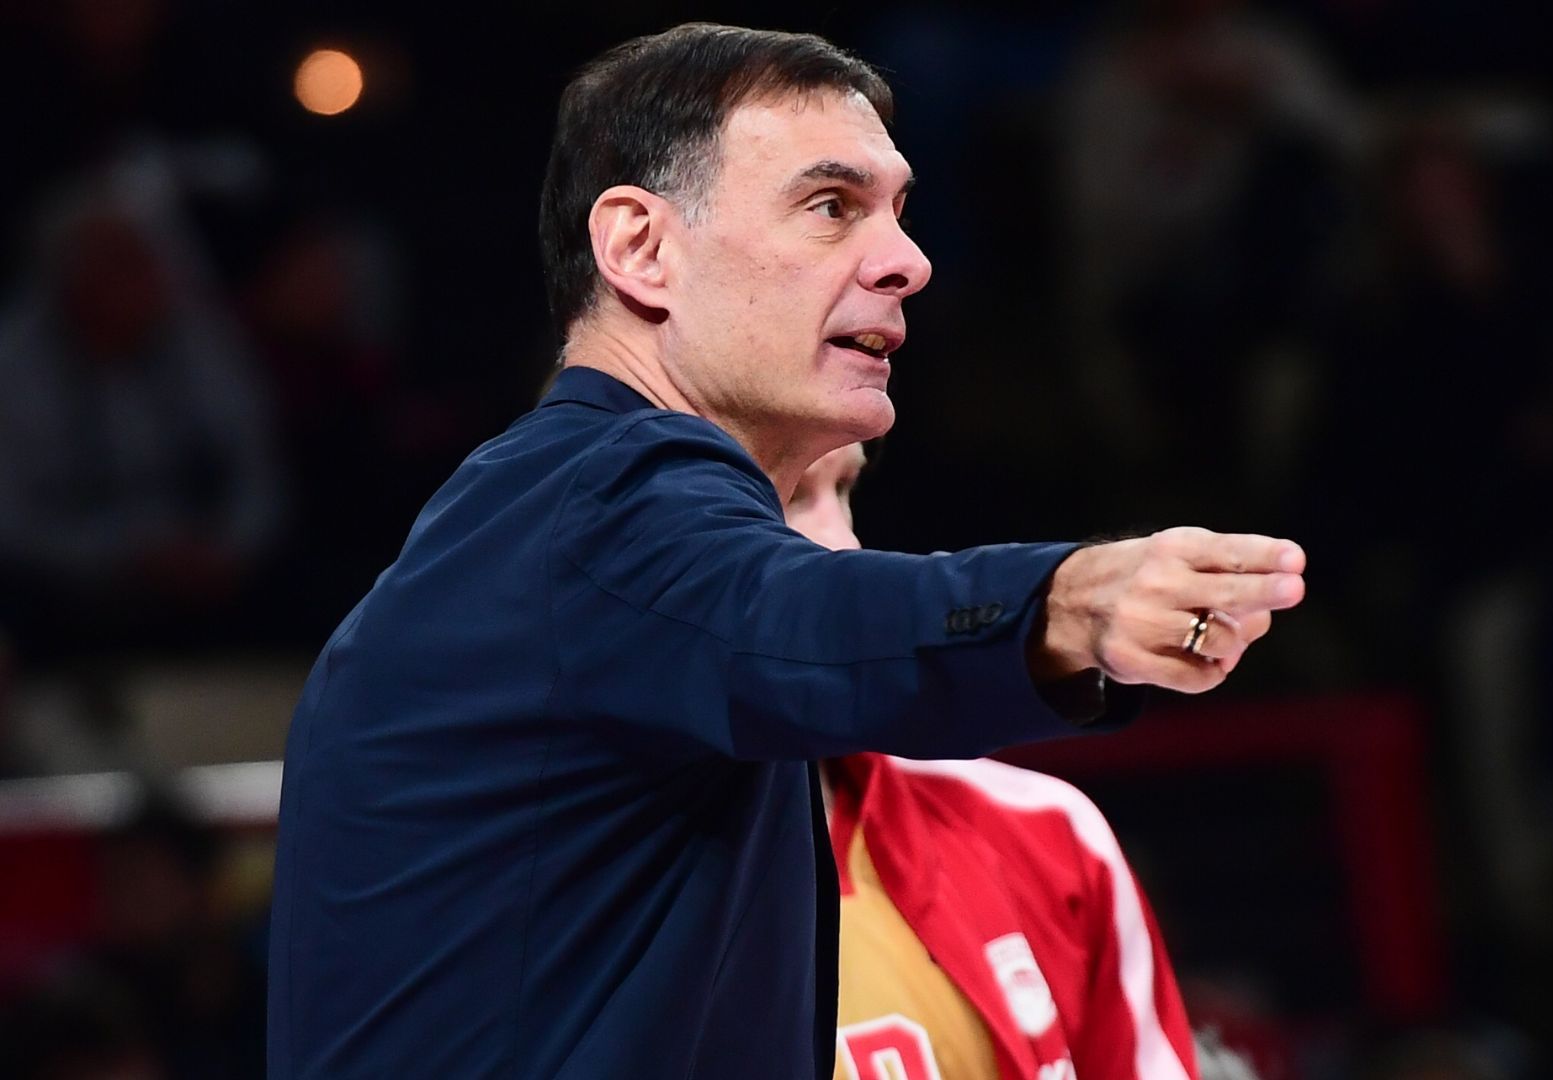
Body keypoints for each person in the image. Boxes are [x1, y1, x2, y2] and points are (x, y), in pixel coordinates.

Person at [267, 23, 1306, 1079]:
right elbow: (790, 616)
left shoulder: (551, 527)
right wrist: (1065, 600)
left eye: (899, 211)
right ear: (640, 248)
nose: (908, 261)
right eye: (831, 206)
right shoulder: (597, 496)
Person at [785, 443, 1199, 1080]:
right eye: (785, 496)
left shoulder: (1045, 833)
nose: (842, 543)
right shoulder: (622, 884)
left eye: (844, 490)